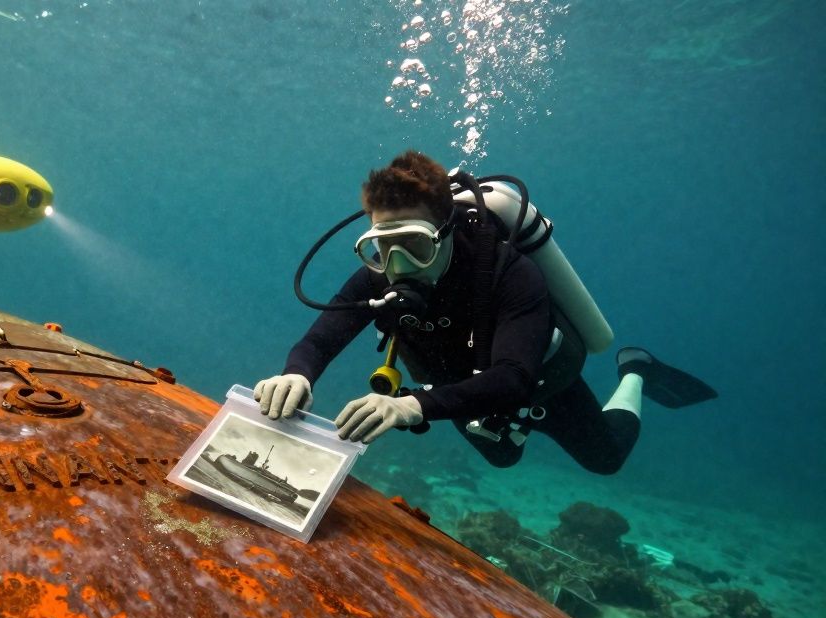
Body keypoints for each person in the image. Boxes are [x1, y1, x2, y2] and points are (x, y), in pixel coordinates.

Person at [254, 151, 715, 474]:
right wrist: (297, 374)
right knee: (502, 458)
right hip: (459, 390)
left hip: (541, 384)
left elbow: (514, 376)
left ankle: (635, 370)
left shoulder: (509, 273)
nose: (396, 264)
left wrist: (411, 405)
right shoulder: (380, 275)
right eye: (381, 245)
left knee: (606, 458)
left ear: (447, 230)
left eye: (413, 244)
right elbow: (321, 338)